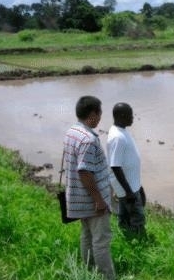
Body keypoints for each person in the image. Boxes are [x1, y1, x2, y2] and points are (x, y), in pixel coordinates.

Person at [63, 96, 115, 280]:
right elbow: (84, 171)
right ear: (93, 114)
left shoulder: (72, 131)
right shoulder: (88, 140)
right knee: (101, 241)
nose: (100, 117)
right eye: (100, 113)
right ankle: (107, 277)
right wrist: (99, 200)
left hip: (78, 198)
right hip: (92, 201)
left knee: (86, 236)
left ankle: (89, 273)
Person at [107, 102, 146, 236]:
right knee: (137, 218)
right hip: (127, 188)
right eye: (130, 114)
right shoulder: (118, 137)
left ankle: (126, 237)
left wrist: (138, 186)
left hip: (130, 186)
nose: (133, 117)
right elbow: (115, 165)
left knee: (124, 216)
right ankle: (139, 241)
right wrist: (129, 191)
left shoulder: (121, 131)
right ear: (122, 116)